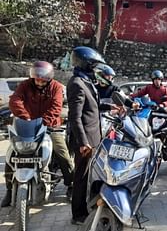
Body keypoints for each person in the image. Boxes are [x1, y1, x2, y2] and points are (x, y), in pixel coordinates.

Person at [1, 61, 75, 207]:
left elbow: (56, 106)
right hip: (27, 126)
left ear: (49, 78)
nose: (39, 82)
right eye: (37, 79)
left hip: (49, 126)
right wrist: (25, 117)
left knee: (62, 154)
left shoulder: (56, 87)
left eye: (43, 79)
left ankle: (71, 185)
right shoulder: (25, 85)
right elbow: (14, 100)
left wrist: (44, 121)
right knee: (12, 154)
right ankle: (10, 190)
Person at [67, 46, 107, 225]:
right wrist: (83, 142)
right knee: (81, 178)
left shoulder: (86, 81)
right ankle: (78, 214)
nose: (96, 69)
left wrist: (110, 107)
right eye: (93, 66)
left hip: (93, 138)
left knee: (88, 175)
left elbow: (92, 108)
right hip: (85, 141)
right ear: (85, 65)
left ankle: (86, 206)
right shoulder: (77, 83)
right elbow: (75, 117)